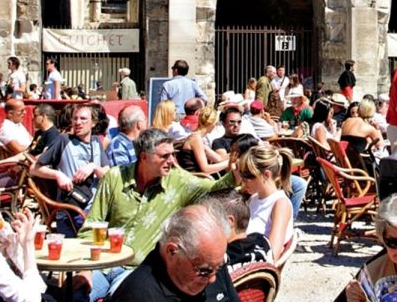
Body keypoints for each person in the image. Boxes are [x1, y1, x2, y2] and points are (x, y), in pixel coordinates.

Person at [82, 128, 236, 300]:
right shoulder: (115, 177)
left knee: (123, 297)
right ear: (144, 157)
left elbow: (215, 189)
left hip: (135, 270)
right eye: (164, 156)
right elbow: (92, 224)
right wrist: (85, 268)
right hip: (102, 264)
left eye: (173, 154)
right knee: (70, 293)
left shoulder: (178, 181)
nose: (172, 161)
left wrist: (234, 174)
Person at [108, 204, 240, 302]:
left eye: (221, 265)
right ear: (172, 252)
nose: (213, 279)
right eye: (204, 271)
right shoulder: (138, 296)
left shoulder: (212, 262)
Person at [236, 142, 294, 261]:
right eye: (241, 174)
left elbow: (272, 253)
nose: (243, 180)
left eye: (248, 175)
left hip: (254, 268)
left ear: (266, 175)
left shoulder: (280, 204)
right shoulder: (253, 198)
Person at [202, 190, 271, 276]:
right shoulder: (263, 242)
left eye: (207, 219)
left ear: (229, 221)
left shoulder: (219, 258)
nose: (203, 224)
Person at [179, 106, 229, 175]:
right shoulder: (196, 139)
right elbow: (206, 169)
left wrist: (236, 155)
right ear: (211, 124)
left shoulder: (197, 138)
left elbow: (219, 159)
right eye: (216, 123)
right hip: (194, 178)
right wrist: (228, 163)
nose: (216, 126)